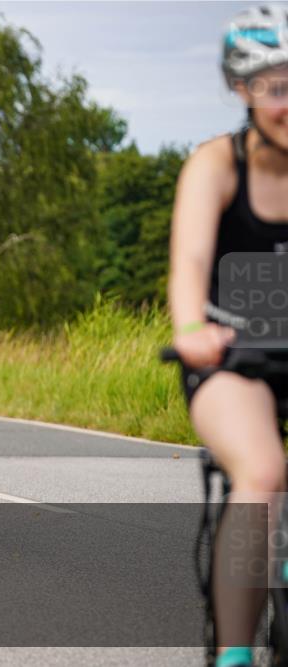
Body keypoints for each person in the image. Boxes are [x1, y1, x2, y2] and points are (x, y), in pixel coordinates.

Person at [168, 6, 288, 666]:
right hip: (228, 356)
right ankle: (236, 652)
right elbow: (189, 265)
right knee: (263, 470)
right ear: (242, 89)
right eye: (276, 86)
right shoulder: (215, 165)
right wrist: (192, 329)